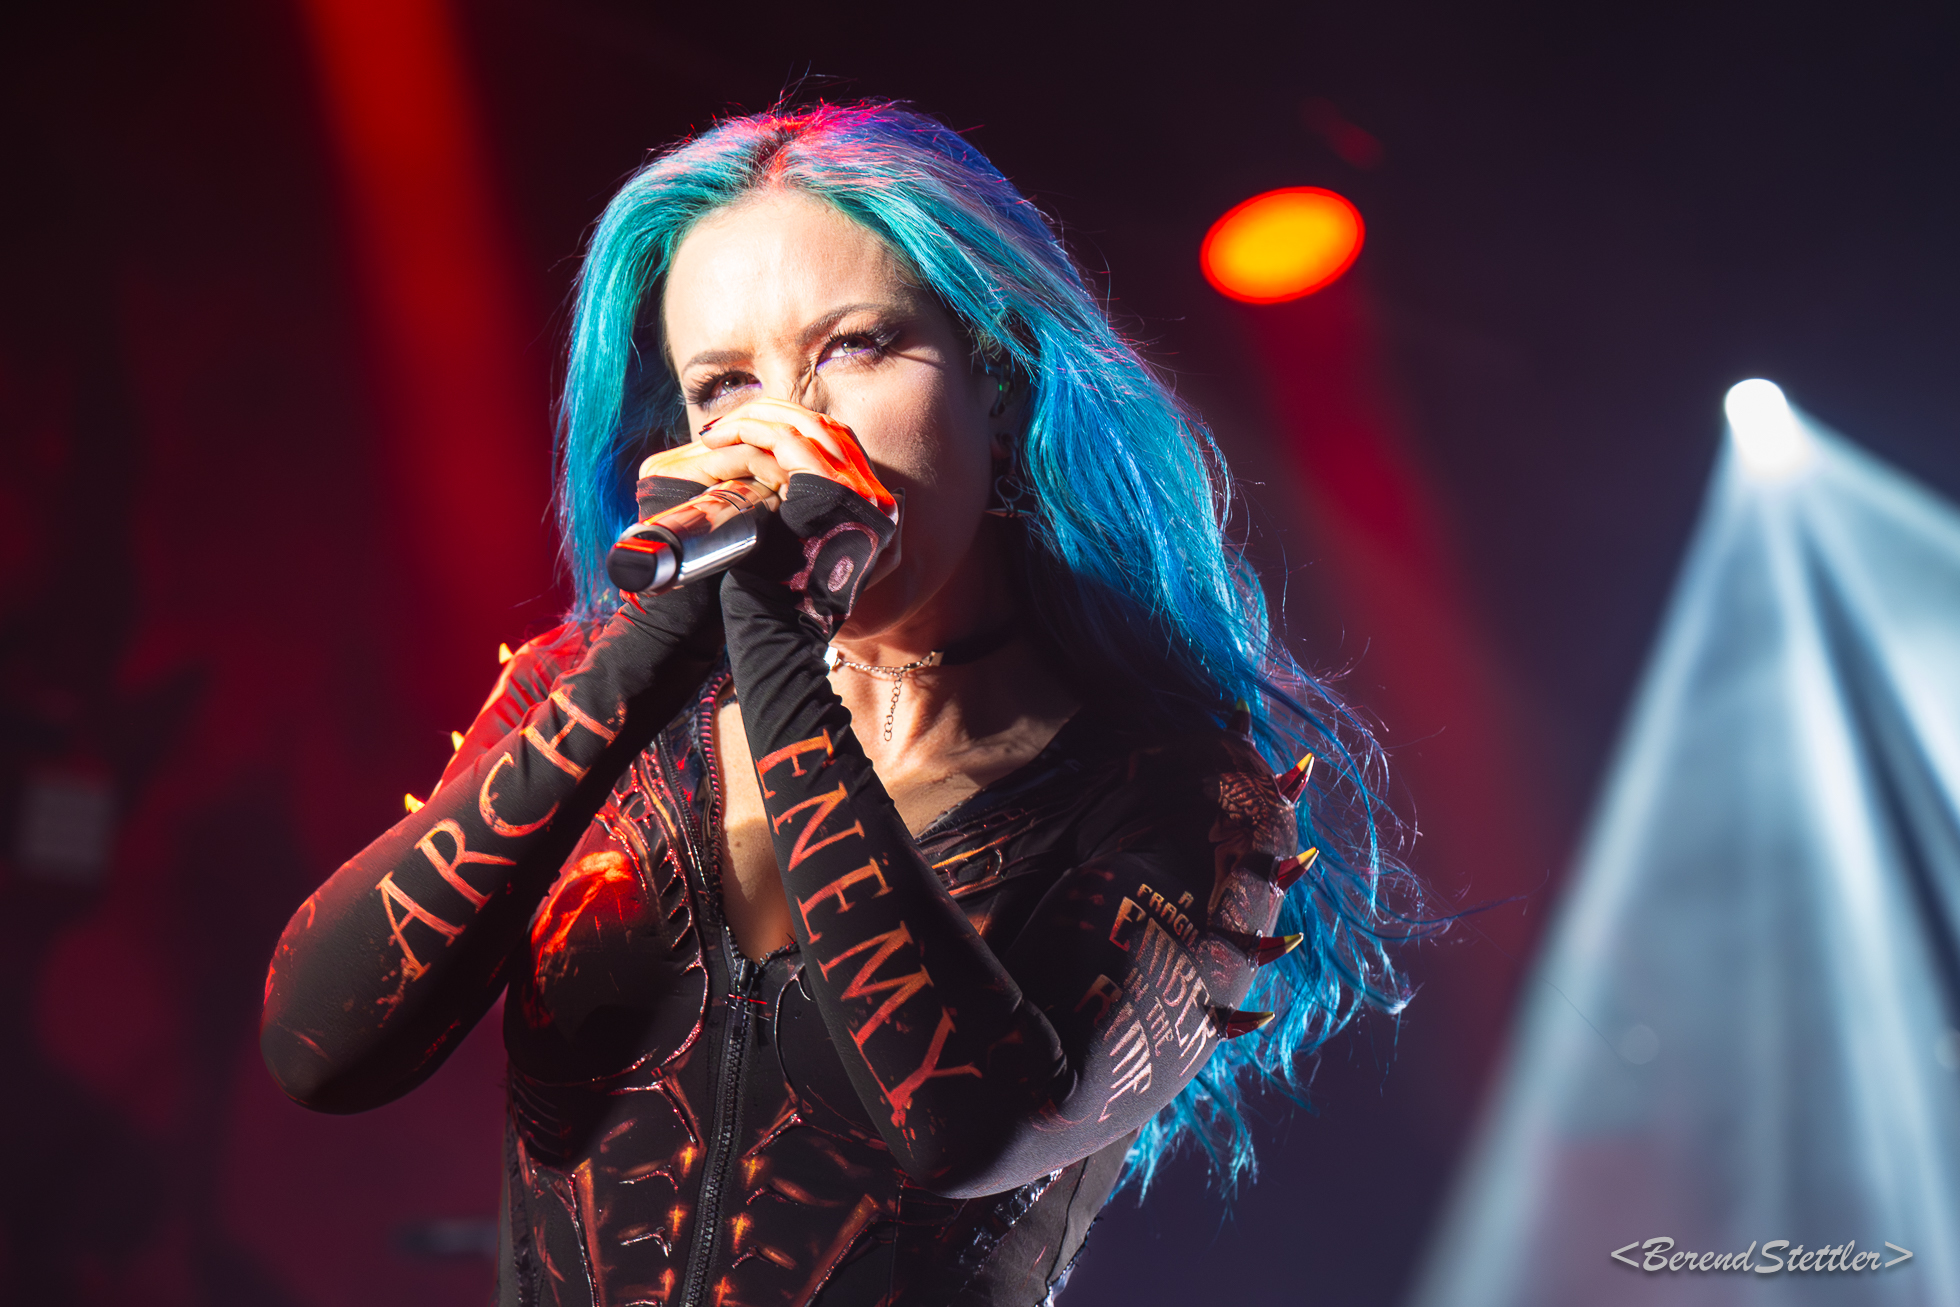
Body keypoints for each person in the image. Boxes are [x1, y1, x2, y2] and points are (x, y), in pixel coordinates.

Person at [260, 100, 1415, 1307]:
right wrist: (647, 648)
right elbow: (321, 1047)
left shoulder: (1178, 793)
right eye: (723, 383)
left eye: (855, 347)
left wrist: (777, 638)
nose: (784, 427)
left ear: (996, 379)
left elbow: (968, 1127)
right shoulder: (584, 692)